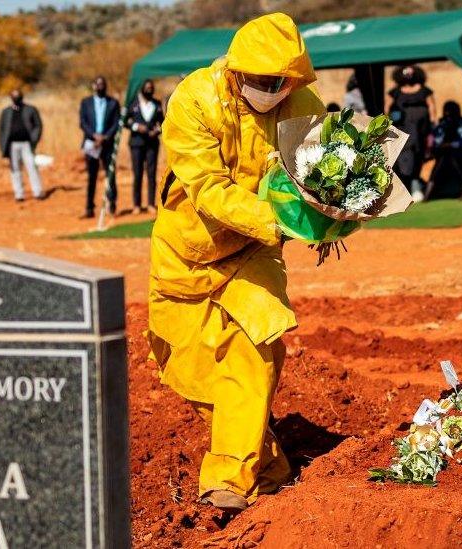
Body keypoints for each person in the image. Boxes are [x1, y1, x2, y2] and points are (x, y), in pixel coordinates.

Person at [147, 12, 325, 515]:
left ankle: (227, 475)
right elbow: (207, 189)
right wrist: (279, 220)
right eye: (265, 82)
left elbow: (317, 173)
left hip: (255, 251)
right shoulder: (196, 99)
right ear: (237, 72)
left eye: (284, 83)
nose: (275, 91)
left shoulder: (301, 104)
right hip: (189, 253)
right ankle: (268, 467)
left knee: (255, 345)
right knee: (196, 371)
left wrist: (336, 208)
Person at [387, 65, 435, 202]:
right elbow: (387, 108)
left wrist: (432, 125)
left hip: (421, 131)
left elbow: (432, 107)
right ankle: (408, 185)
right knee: (405, 157)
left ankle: (415, 184)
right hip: (402, 130)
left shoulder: (424, 91)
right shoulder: (395, 92)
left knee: (419, 155)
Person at [78, 76, 121, 218]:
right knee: (92, 176)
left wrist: (105, 137)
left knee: (110, 174)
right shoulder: (86, 103)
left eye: (103, 84)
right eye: (98, 84)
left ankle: (112, 205)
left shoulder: (113, 103)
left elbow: (116, 123)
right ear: (93, 86)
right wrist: (94, 136)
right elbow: (83, 123)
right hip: (91, 144)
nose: (100, 86)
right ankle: (89, 207)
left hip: (107, 143)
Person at [427, 101, 462, 199]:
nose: (449, 116)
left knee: (454, 155)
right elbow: (437, 142)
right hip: (446, 155)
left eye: (451, 112)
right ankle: (429, 190)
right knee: (444, 158)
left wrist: (450, 144)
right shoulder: (442, 125)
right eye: (446, 112)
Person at [125, 79, 164, 214]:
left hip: (152, 143)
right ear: (142, 88)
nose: (149, 90)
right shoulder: (133, 103)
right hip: (136, 143)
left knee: (151, 174)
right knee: (137, 174)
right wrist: (136, 127)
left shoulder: (157, 104)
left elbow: (162, 123)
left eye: (151, 88)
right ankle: (137, 205)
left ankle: (150, 204)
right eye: (147, 88)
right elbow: (125, 121)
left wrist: (157, 130)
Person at [0, 89, 43, 202]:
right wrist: (3, 145)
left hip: (27, 143)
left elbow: (38, 125)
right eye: (14, 96)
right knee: (15, 169)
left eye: (18, 95)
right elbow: (1, 129)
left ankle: (37, 192)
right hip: (12, 145)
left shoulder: (30, 109)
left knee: (31, 167)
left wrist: (34, 139)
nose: (16, 98)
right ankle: (19, 194)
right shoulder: (6, 112)